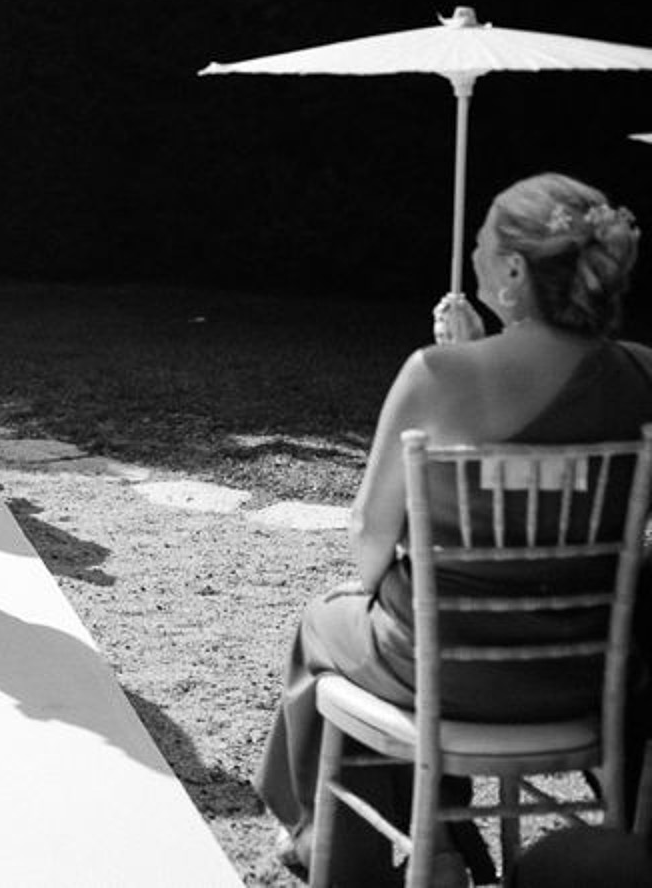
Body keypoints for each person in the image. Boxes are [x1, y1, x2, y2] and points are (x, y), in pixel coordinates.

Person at [257, 173, 652, 887]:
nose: (472, 259)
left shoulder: (437, 375)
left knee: (325, 621)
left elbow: (369, 540)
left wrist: (373, 592)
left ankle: (349, 852)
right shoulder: (641, 375)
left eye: (481, 245)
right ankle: (436, 846)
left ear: (511, 269)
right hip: (588, 672)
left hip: (451, 672)